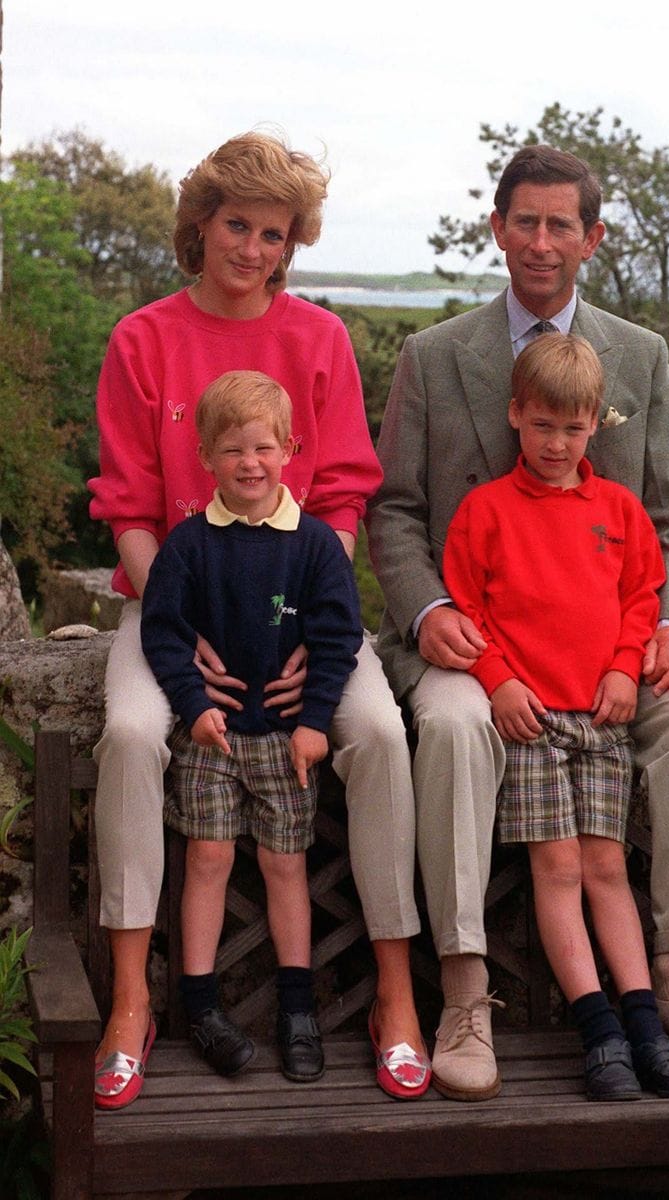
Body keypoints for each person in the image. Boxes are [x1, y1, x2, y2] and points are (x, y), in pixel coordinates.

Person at [368, 143, 669, 1102]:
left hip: (606, 644)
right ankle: (466, 990)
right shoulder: (434, 357)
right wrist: (429, 608)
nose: (541, 240)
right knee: (446, 723)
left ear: (591, 238)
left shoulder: (638, 358)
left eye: (562, 223)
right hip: (474, 639)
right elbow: (392, 508)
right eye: (524, 220)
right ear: (498, 228)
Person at [90, 131, 429, 1110]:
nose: (252, 248)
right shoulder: (142, 339)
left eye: (273, 233)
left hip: (299, 613)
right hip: (170, 606)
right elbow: (129, 512)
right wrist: (178, 622)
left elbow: (343, 504)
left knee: (376, 729)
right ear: (201, 225)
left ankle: (396, 997)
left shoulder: (319, 340)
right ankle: (128, 1002)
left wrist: (303, 638)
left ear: (293, 242)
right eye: (236, 224)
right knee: (128, 732)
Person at [443, 332, 669, 1101]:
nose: (556, 444)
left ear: (596, 423)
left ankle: (647, 1030)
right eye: (542, 426)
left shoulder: (618, 510)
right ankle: (599, 1035)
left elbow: (641, 599)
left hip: (601, 716)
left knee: (607, 869)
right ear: (515, 416)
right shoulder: (485, 512)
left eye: (573, 427)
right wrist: (496, 681)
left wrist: (628, 666)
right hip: (531, 721)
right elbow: (466, 612)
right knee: (556, 870)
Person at [139, 370, 362, 1083]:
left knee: (284, 865)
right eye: (232, 450)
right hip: (213, 737)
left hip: (286, 741)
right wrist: (193, 706)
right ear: (205, 456)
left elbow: (337, 638)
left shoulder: (317, 545)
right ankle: (200, 1006)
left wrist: (317, 722)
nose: (250, 463)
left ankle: (297, 1008)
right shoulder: (187, 546)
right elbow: (166, 635)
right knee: (206, 860)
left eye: (264, 448)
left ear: (290, 448)